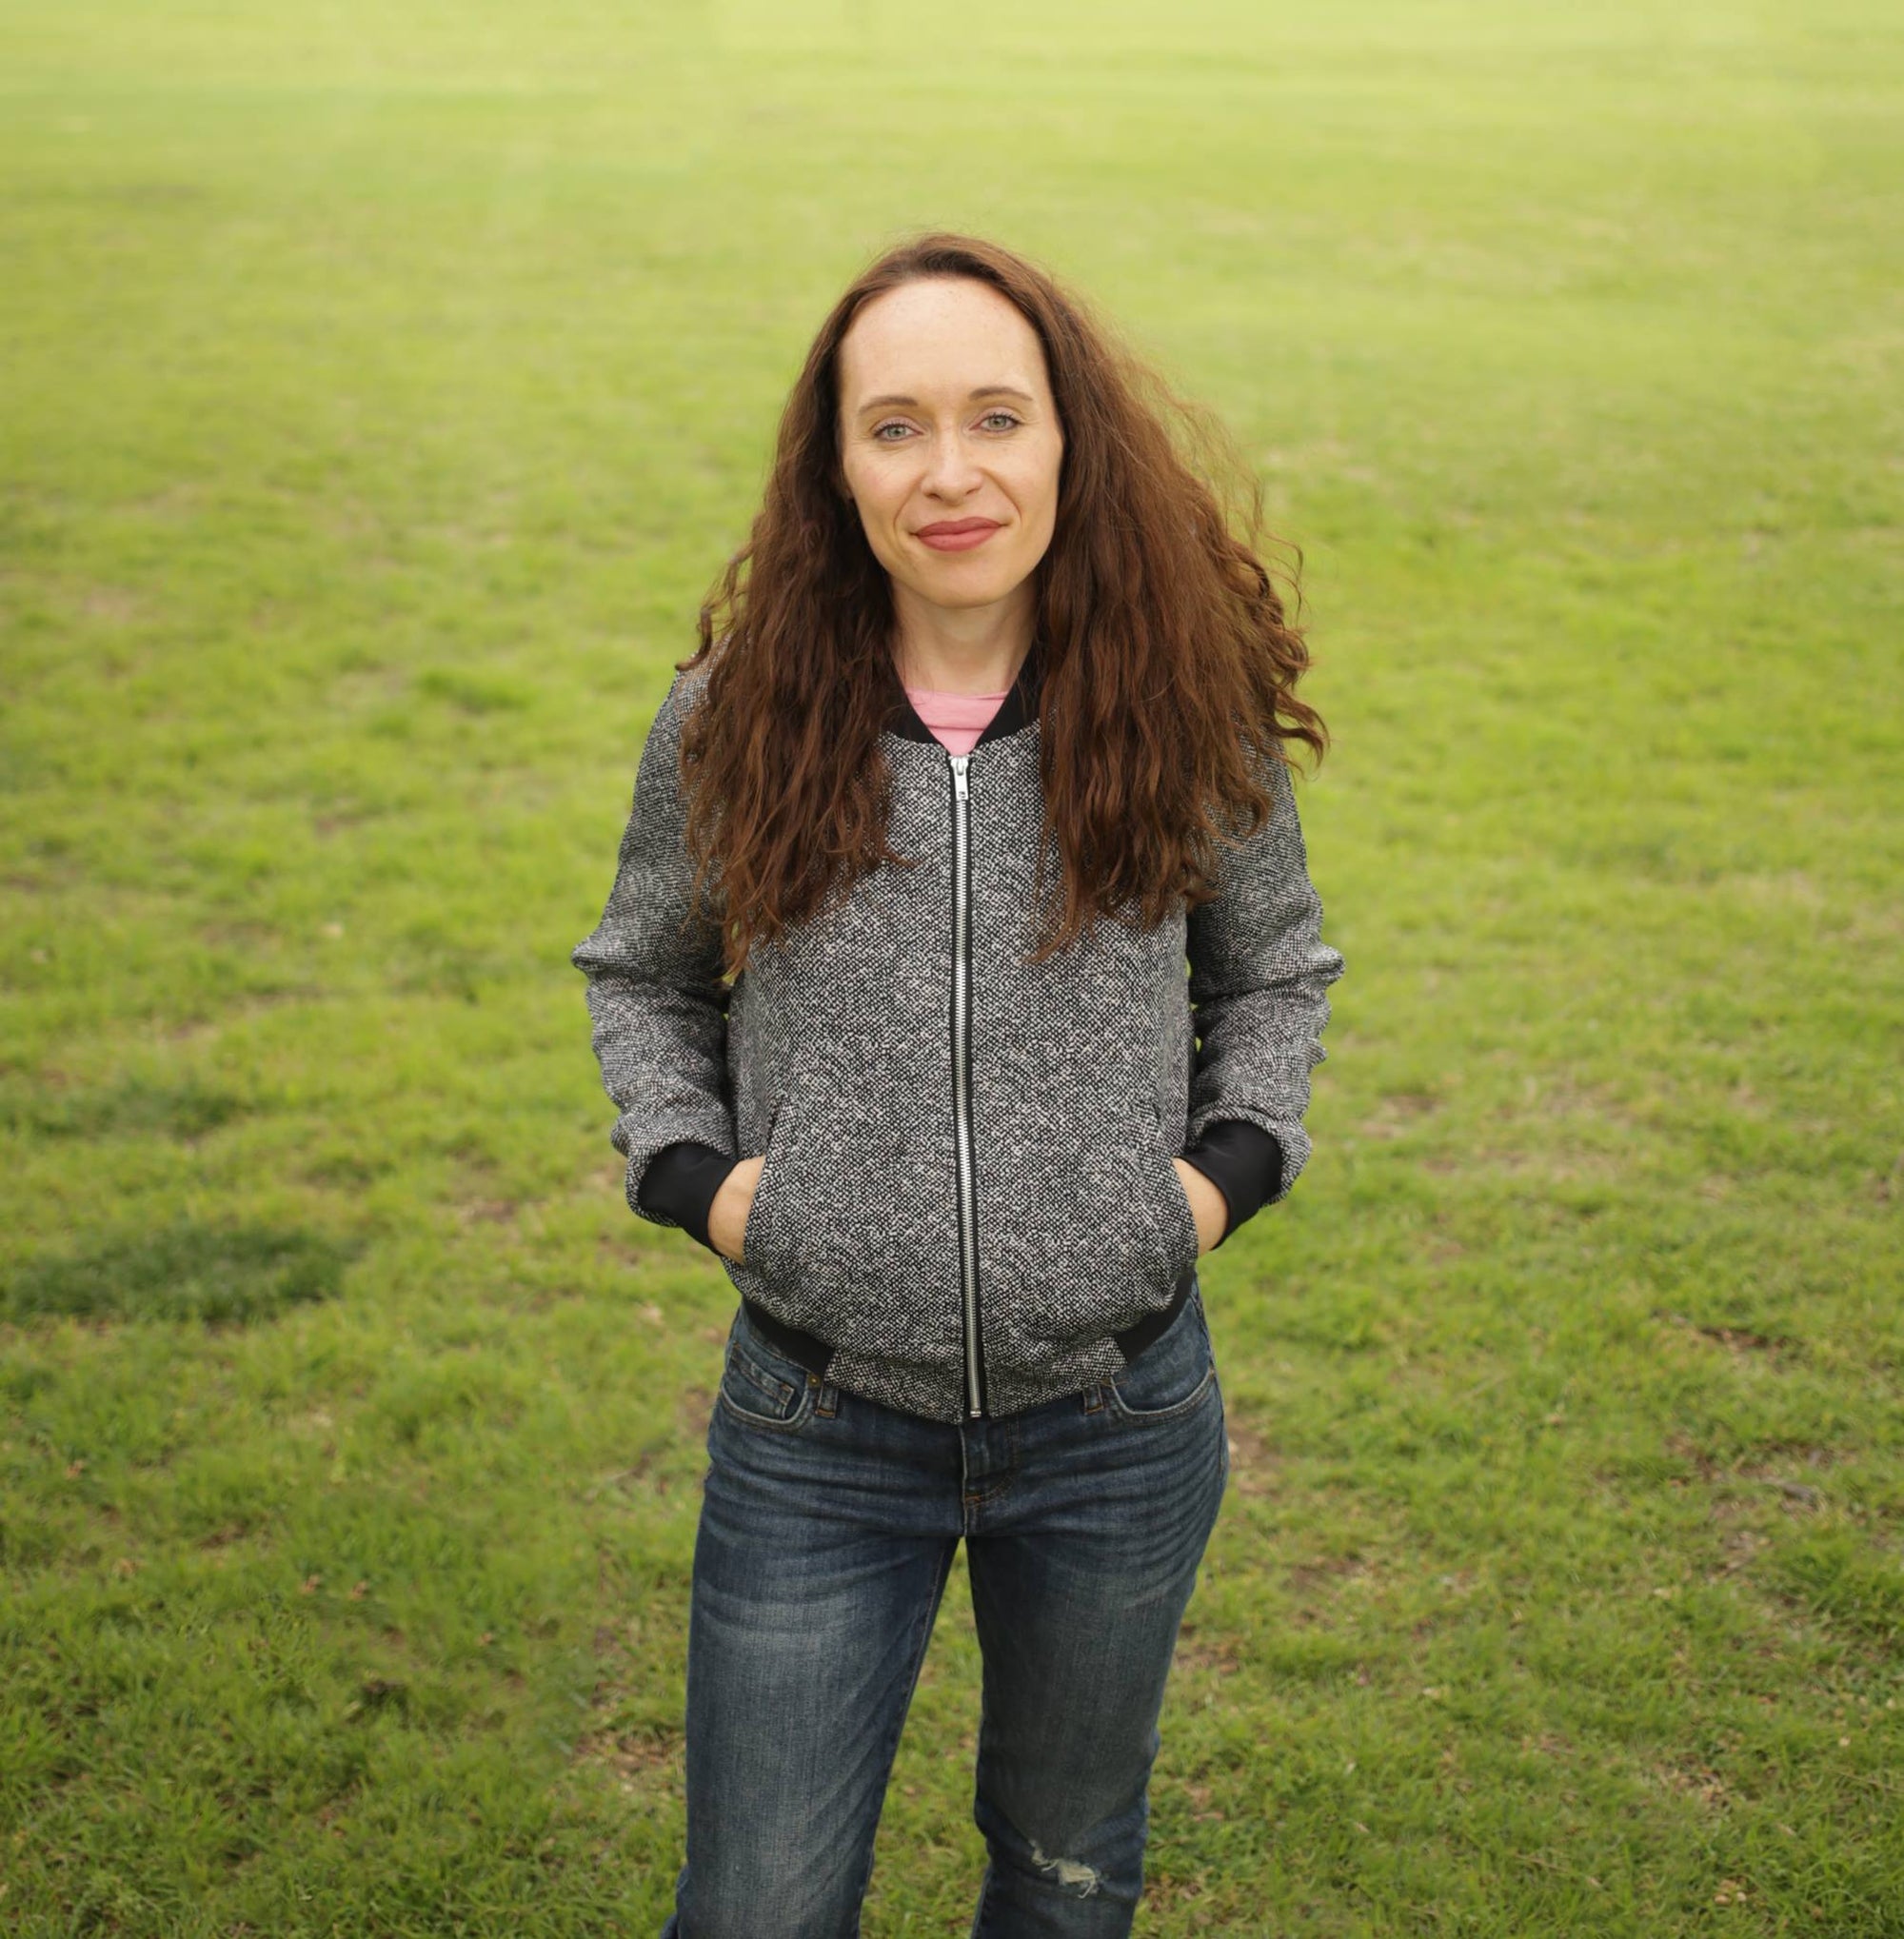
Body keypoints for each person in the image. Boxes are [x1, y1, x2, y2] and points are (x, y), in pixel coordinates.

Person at [571, 230, 1344, 1938]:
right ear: (835, 467)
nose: (950, 474)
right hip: (819, 1423)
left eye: (996, 417)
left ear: (1069, 440)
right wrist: (711, 1187)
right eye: (895, 427)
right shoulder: (735, 717)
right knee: (759, 1903)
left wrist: (1204, 1188)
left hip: (1118, 1418)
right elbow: (643, 969)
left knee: (1067, 1872)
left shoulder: (1181, 705)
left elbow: (1274, 967)